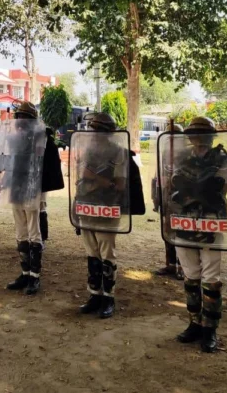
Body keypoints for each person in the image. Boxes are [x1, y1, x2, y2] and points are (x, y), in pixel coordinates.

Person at [165, 116, 227, 353]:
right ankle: (194, 322)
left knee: (211, 279)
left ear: (211, 136)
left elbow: (219, 188)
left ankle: (210, 328)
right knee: (191, 276)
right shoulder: (181, 157)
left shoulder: (223, 157)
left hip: (211, 221)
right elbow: (173, 186)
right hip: (184, 221)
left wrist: (190, 190)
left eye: (202, 134)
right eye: (194, 134)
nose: (198, 139)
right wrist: (196, 190)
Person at [73, 112, 145, 318]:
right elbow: (80, 182)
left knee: (107, 255)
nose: (94, 135)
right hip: (87, 205)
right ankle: (94, 294)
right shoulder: (88, 152)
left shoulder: (119, 153)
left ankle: (108, 298)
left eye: (98, 131)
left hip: (107, 207)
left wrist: (94, 178)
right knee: (91, 253)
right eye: (93, 131)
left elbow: (120, 185)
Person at [3, 101, 64, 295]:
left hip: (32, 188)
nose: (20, 121)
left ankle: (35, 276)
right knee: (21, 232)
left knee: (33, 232)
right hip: (16, 187)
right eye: (18, 117)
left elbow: (45, 162)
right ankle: (25, 272)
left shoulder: (41, 138)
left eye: (24, 117)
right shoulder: (13, 137)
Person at [152, 123, 184, 279]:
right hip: (166, 197)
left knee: (181, 232)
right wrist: (156, 196)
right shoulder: (164, 152)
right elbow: (157, 176)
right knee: (167, 231)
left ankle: (182, 266)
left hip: (181, 198)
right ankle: (170, 265)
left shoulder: (186, 154)